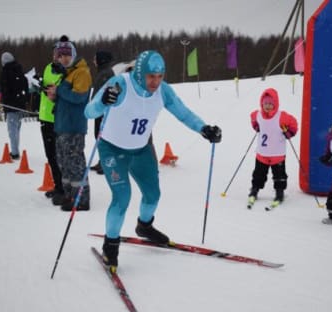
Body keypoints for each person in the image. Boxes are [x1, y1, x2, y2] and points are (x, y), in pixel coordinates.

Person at [85, 50, 222, 271]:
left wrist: (203, 129)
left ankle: (144, 227)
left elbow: (183, 113)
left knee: (153, 194)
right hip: (112, 149)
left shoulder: (163, 91)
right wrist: (102, 101)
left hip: (141, 149)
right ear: (140, 73)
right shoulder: (120, 84)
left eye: (160, 76)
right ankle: (110, 246)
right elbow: (89, 112)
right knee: (122, 197)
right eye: (151, 76)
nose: (155, 82)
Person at [46, 37, 92, 211]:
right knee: (63, 163)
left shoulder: (81, 72)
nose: (64, 58)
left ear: (73, 55)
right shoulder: (68, 73)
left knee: (75, 163)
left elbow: (79, 97)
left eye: (67, 55)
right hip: (63, 125)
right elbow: (66, 97)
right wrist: (54, 96)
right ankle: (69, 194)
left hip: (74, 126)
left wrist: (60, 90)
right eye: (61, 55)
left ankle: (82, 199)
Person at [248, 88, 298, 205]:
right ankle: (255, 189)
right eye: (266, 103)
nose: (268, 106)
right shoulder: (258, 115)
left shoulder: (282, 116)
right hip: (262, 153)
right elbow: (253, 119)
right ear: (262, 103)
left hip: (277, 154)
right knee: (258, 174)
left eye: (271, 104)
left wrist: (290, 132)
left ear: (275, 104)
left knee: (279, 175)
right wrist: (256, 126)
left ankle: (279, 192)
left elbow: (294, 123)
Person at [39, 39, 65, 200]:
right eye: (55, 53)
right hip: (44, 116)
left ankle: (63, 188)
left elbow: (63, 91)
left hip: (57, 118)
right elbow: (47, 87)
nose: (56, 55)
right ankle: (57, 186)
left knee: (59, 156)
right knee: (50, 155)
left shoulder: (65, 70)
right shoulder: (48, 67)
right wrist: (41, 86)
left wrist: (54, 91)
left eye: (59, 53)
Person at [0, 52, 29, 159]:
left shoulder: (5, 72)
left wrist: (5, 102)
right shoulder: (20, 71)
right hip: (20, 106)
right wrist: (24, 100)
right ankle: (15, 149)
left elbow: (4, 89)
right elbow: (25, 87)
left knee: (12, 130)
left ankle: (15, 152)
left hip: (11, 106)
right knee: (17, 129)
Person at [90, 50, 115, 175]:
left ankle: (106, 163)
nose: (93, 61)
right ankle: (102, 161)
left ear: (101, 60)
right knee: (98, 136)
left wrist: (96, 105)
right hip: (99, 110)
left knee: (103, 137)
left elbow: (103, 92)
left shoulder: (106, 73)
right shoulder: (102, 71)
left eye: (95, 58)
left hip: (104, 111)